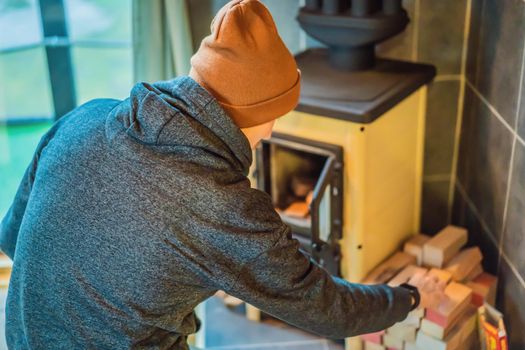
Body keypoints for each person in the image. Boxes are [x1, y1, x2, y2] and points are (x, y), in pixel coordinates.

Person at [0, 0, 444, 349]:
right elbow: (329, 311)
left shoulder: (86, 117)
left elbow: (13, 236)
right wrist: (408, 295)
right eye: (278, 114)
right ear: (260, 113)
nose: (275, 129)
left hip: (21, 337)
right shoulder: (223, 207)